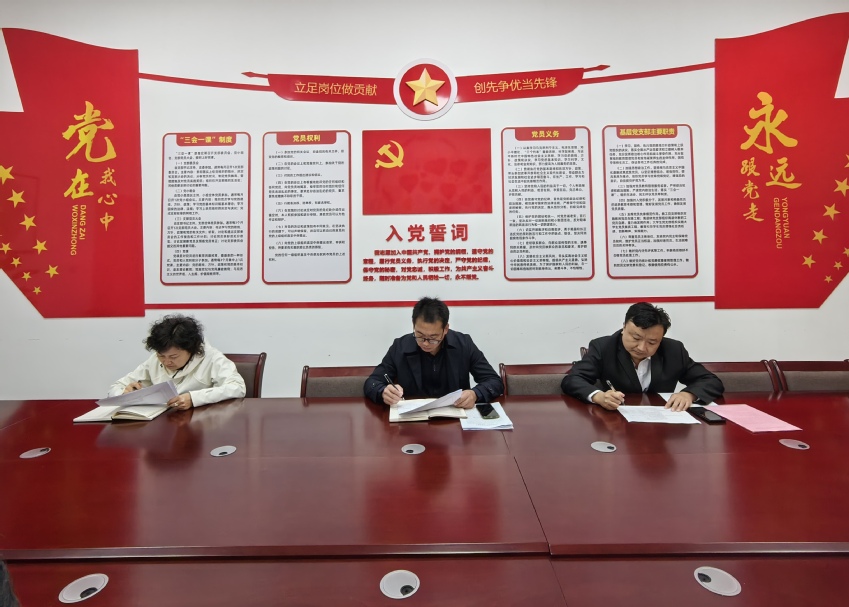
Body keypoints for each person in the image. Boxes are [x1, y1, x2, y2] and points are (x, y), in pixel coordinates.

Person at [562, 302, 723, 411]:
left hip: (662, 425)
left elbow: (711, 381)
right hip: (616, 424)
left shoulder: (674, 350)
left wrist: (688, 394)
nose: (642, 348)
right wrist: (598, 396)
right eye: (636, 338)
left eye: (652, 342)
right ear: (624, 328)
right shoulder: (603, 347)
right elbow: (573, 379)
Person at [364, 297, 503, 408]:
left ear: (445, 329)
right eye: (420, 335)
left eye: (433, 338)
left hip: (454, 419)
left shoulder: (463, 344)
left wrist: (475, 394)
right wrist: (383, 392)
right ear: (413, 325)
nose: (425, 343)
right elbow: (372, 382)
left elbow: (494, 381)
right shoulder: (400, 347)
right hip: (412, 421)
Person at [107, 315, 246, 409]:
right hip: (161, 425)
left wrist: (194, 398)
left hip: (200, 427)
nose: (167, 362)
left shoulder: (212, 358)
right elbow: (116, 386)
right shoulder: (154, 360)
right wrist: (124, 394)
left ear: (191, 349)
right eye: (161, 356)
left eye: (173, 357)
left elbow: (237, 387)